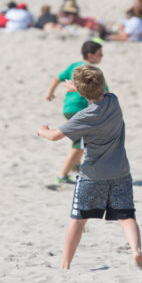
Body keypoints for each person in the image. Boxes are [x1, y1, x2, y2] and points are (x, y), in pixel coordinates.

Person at [37, 65, 142, 271]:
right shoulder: (113, 101)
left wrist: (42, 130)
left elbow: (55, 136)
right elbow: (100, 90)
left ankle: (65, 265)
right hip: (120, 171)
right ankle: (137, 252)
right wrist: (80, 88)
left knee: (78, 220)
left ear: (81, 93)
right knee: (126, 217)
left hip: (92, 175)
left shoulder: (84, 115)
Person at [46, 41, 105, 184]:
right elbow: (104, 92)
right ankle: (62, 176)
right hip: (80, 108)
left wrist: (50, 94)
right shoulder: (93, 72)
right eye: (100, 54)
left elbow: (57, 79)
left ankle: (76, 165)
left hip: (68, 108)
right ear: (90, 55)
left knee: (81, 140)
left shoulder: (74, 66)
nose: (102, 57)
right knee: (80, 144)